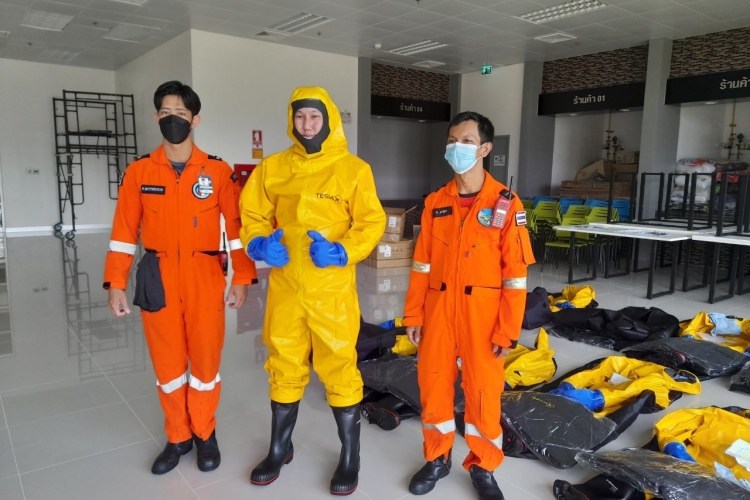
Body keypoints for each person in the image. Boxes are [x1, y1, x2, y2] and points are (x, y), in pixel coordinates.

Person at [104, 81, 257, 475]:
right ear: (157, 117)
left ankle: (205, 432)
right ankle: (178, 436)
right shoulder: (139, 172)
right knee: (168, 366)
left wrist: (242, 277)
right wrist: (116, 283)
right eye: (166, 113)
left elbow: (237, 231)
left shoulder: (218, 171)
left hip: (204, 275)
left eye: (181, 114)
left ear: (195, 120)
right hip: (157, 277)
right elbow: (123, 233)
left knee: (205, 363)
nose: (173, 119)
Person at [239, 86, 385, 496]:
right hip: (286, 286)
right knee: (283, 361)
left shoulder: (353, 169)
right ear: (292, 120)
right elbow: (252, 213)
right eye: (300, 116)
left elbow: (370, 221)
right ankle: (279, 448)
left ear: (329, 119)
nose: (306, 125)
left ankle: (350, 455)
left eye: (314, 117)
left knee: (339, 365)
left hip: (331, 290)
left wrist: (343, 251)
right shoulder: (273, 167)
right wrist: (258, 244)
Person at [403, 111, 535, 500]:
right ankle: (437, 458)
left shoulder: (506, 204)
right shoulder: (435, 203)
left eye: (466, 141)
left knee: (482, 393)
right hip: (438, 312)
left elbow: (516, 278)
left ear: (485, 149)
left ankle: (484, 465)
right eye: (452, 141)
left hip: (484, 318)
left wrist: (507, 331)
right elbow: (421, 265)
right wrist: (413, 314)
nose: (456, 147)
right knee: (433, 386)